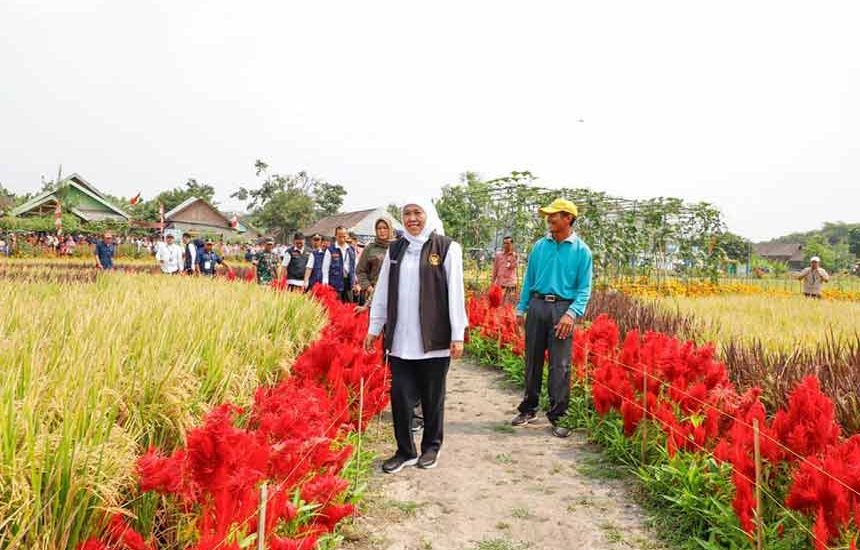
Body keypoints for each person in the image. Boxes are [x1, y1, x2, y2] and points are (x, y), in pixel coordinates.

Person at [364, 199, 467, 474]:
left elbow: (456, 293)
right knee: (400, 397)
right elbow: (383, 290)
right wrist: (375, 328)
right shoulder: (396, 249)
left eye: (417, 213)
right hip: (400, 340)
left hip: (433, 340)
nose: (412, 219)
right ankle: (405, 450)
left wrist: (458, 334)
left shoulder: (447, 248)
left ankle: (431, 447)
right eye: (406, 214)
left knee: (433, 398)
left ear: (428, 215)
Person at [511, 198, 593, 438]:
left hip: (562, 311)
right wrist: (521, 308)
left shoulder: (581, 251)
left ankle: (559, 415)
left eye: (554, 215)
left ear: (568, 218)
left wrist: (571, 314)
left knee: (560, 365)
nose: (549, 219)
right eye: (548, 215)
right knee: (532, 360)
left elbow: (584, 289)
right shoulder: (540, 246)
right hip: (537, 306)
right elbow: (529, 279)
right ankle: (529, 408)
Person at [355, 218, 395, 309]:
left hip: (393, 293)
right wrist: (369, 287)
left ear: (390, 229)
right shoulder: (370, 248)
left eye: (385, 228)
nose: (382, 231)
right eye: (379, 228)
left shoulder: (396, 247)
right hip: (373, 294)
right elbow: (360, 271)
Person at [322, 226, 357, 302]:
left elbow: (355, 267)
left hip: (348, 283)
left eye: (344, 236)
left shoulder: (351, 250)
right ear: (335, 236)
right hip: (335, 283)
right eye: (339, 236)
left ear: (347, 236)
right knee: (336, 305)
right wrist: (325, 283)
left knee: (349, 305)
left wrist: (356, 282)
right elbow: (325, 268)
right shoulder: (330, 250)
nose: (342, 239)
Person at [492, 236, 519, 302]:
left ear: (512, 244)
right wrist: (492, 282)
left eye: (508, 243)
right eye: (504, 243)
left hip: (510, 284)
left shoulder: (515, 256)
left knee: (508, 304)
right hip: (500, 283)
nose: (506, 245)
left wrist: (512, 256)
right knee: (499, 303)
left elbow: (514, 266)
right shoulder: (498, 255)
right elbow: (495, 269)